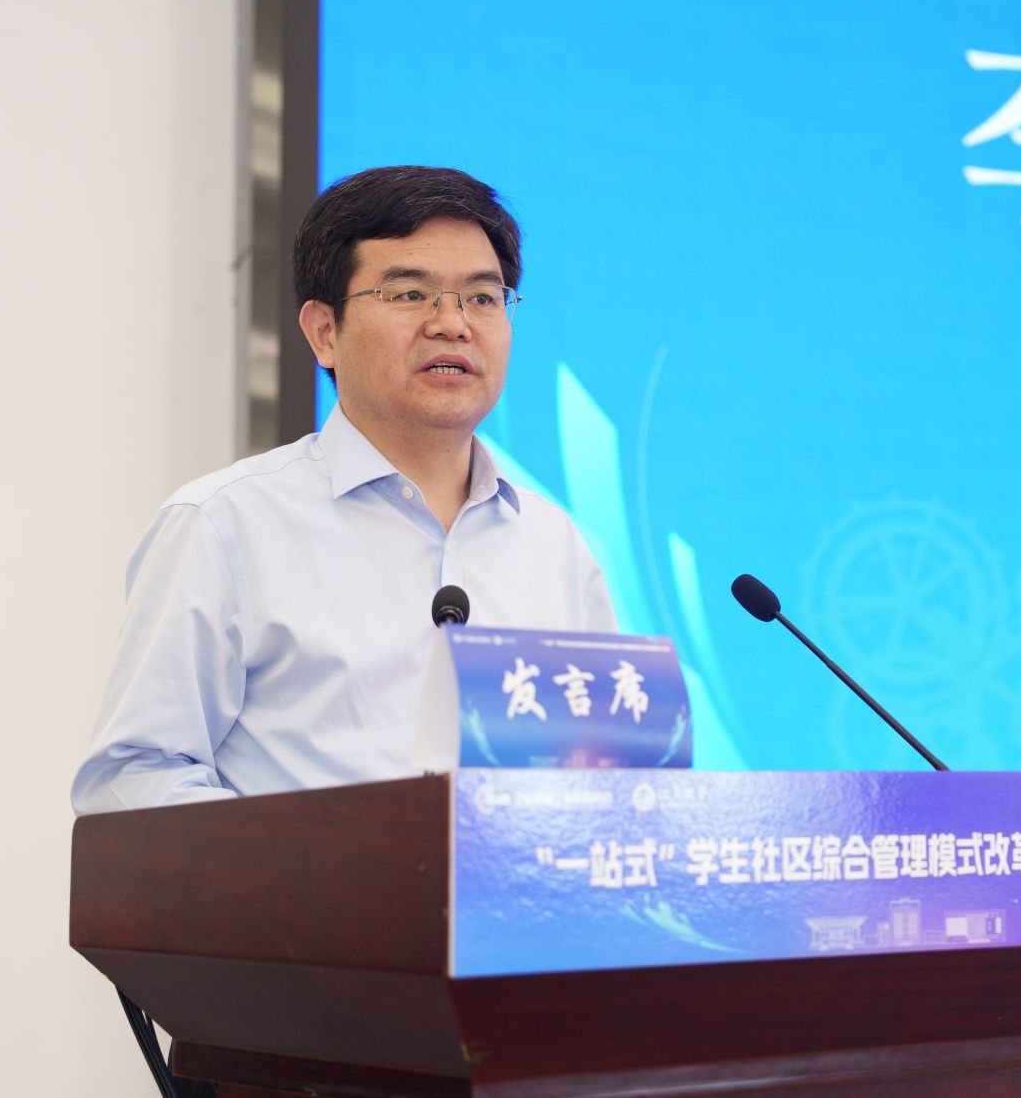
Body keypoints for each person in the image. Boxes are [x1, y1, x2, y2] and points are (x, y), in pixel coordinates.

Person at [72, 166, 617, 813]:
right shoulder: (224, 525)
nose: (452, 323)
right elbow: (131, 777)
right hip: (303, 884)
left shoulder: (554, 544)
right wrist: (305, 863)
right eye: (410, 293)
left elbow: (609, 769)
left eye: (482, 297)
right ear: (323, 332)